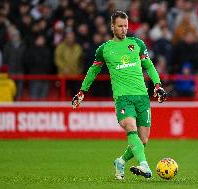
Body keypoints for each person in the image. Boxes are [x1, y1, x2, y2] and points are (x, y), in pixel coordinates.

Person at [71, 11, 167, 179]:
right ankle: (144, 165)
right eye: (120, 26)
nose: (124, 29)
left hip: (142, 97)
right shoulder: (104, 49)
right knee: (130, 126)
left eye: (126, 26)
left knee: (143, 140)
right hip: (123, 98)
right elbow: (93, 71)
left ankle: (121, 161)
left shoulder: (137, 44)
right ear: (112, 27)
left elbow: (149, 66)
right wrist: (82, 91)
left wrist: (158, 85)